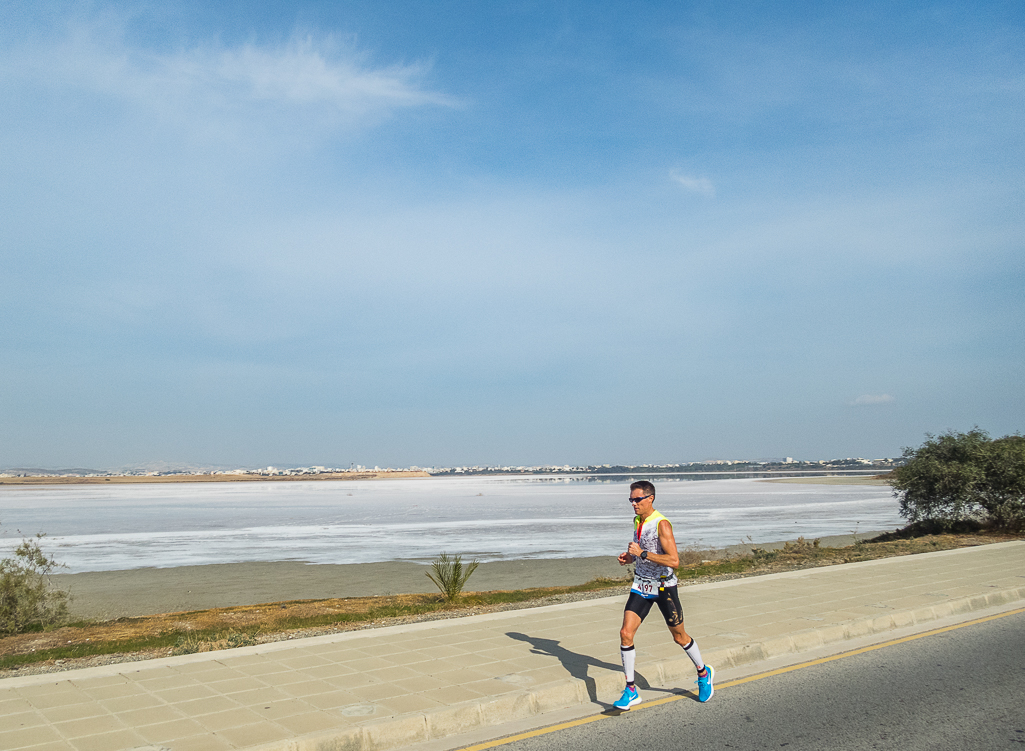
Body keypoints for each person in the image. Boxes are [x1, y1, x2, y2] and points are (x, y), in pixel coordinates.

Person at [613, 480, 714, 709]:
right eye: (631, 500)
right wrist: (630, 558)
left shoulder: (662, 524)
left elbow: (674, 561)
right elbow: (641, 553)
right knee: (625, 633)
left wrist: (643, 553)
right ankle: (630, 690)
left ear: (650, 498)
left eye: (637, 499)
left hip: (664, 587)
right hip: (641, 585)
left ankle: (703, 672)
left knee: (679, 637)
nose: (633, 504)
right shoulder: (638, 521)